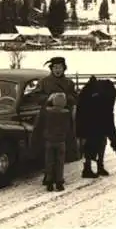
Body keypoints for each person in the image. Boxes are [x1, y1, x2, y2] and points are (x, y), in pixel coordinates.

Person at [32, 56, 80, 184]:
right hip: (46, 118)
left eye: (60, 67)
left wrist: (66, 98)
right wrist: (48, 98)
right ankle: (48, 175)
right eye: (55, 67)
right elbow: (36, 97)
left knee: (62, 149)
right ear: (51, 68)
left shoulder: (69, 83)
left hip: (63, 119)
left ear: (64, 68)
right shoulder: (44, 82)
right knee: (46, 147)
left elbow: (75, 98)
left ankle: (59, 177)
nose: (57, 70)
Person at [75, 76, 116, 178]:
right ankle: (87, 168)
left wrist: (114, 142)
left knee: (101, 140)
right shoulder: (91, 95)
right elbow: (81, 111)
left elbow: (109, 120)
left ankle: (99, 165)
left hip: (99, 118)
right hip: (88, 119)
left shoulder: (106, 94)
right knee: (91, 142)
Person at [41, 92, 72, 192]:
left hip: (49, 141)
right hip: (61, 141)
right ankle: (59, 183)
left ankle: (49, 182)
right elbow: (69, 128)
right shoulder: (66, 113)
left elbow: (43, 122)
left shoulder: (47, 112)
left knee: (49, 162)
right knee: (60, 163)